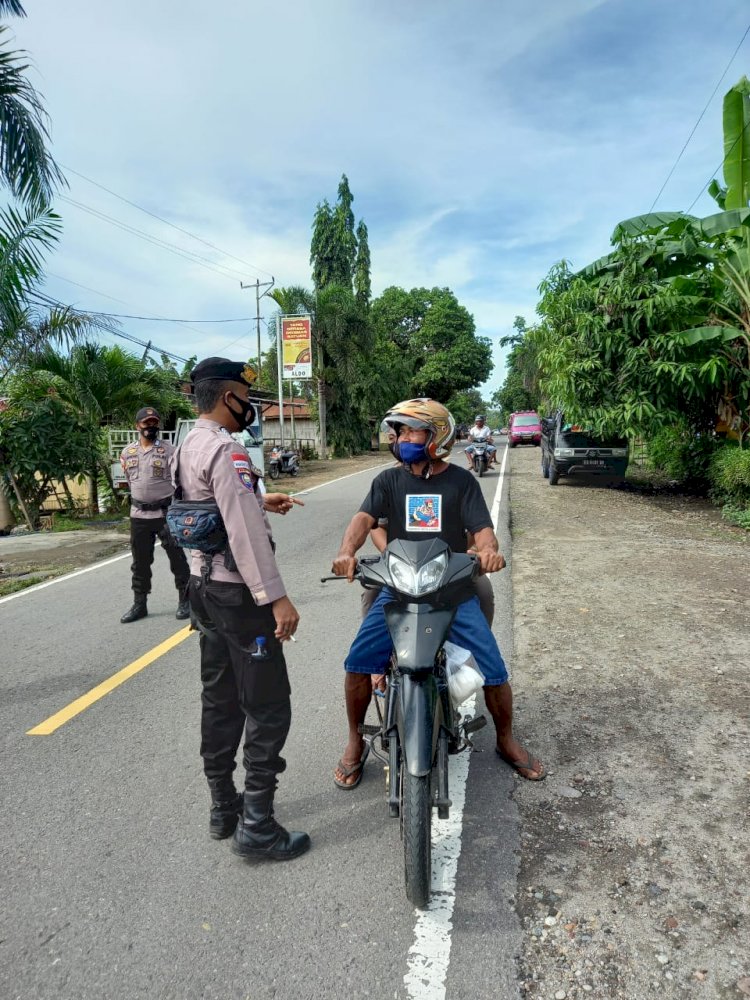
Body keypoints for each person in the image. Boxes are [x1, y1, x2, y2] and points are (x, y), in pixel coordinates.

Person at [331, 397, 545, 788]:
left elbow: (481, 527)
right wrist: (346, 552)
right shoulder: (388, 481)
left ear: (437, 435)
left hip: (451, 590)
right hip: (398, 591)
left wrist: (489, 549)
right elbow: (363, 519)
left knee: (494, 669)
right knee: (356, 664)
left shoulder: (461, 481)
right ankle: (353, 741)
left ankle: (506, 739)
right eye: (399, 432)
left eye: (411, 431)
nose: (401, 438)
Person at [177, 357, 310, 862]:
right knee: (268, 705)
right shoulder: (225, 449)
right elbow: (244, 535)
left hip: (203, 588)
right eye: (244, 395)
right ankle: (257, 823)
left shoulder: (186, 444)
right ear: (225, 396)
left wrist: (260, 498)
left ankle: (223, 808)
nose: (250, 406)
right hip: (240, 596)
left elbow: (201, 513)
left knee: (220, 698)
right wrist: (276, 597)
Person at [119, 407, 191, 624]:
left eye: (154, 423)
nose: (150, 427)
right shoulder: (127, 453)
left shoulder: (170, 451)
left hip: (166, 513)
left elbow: (181, 481)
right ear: (137, 426)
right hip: (139, 515)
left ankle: (185, 600)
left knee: (177, 559)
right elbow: (131, 481)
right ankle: (139, 604)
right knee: (140, 563)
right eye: (146, 423)